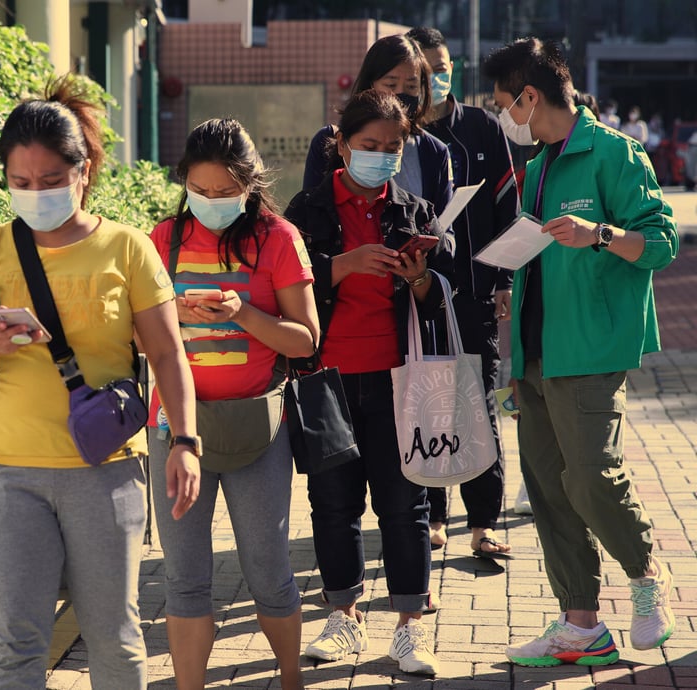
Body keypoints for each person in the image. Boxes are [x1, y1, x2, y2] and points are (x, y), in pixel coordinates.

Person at [0, 75, 201, 690]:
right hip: (3, 473)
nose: (35, 194)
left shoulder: (126, 248)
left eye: (50, 181)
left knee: (115, 640)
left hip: (107, 472)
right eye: (20, 183)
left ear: (85, 170)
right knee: (14, 651)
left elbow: (170, 354)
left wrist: (185, 441)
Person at [483, 37, 677, 667]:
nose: (501, 116)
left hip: (590, 346)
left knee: (592, 473)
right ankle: (581, 624)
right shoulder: (536, 168)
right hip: (534, 350)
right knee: (548, 486)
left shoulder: (614, 154)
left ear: (530, 97)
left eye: (502, 103)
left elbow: (660, 242)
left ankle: (646, 577)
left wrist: (599, 234)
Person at [285, 88, 456, 675]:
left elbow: (442, 300)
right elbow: (284, 292)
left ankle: (411, 626)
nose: (379, 155)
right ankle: (344, 616)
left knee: (403, 505)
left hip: (396, 379)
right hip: (324, 381)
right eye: (367, 145)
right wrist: (341, 266)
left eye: (391, 147)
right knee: (332, 505)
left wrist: (419, 280)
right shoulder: (305, 211)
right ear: (340, 144)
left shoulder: (413, 209)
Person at [147, 119, 319, 690]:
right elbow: (135, 335)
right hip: (175, 429)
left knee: (268, 568)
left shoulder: (277, 238)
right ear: (184, 184)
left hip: (257, 427)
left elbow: (305, 339)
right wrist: (176, 315)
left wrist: (241, 313)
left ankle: (289, 677)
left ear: (249, 184)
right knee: (185, 578)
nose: (212, 203)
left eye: (225, 193)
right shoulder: (161, 239)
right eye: (201, 191)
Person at [406, 26, 521, 558]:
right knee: (425, 404)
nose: (438, 74)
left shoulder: (480, 127)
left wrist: (503, 280)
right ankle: (430, 514)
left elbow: (505, 208)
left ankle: (483, 523)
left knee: (480, 405)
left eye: (444, 63)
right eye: (426, 67)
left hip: (474, 296)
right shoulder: (399, 137)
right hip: (419, 296)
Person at [302, 34, 454, 220]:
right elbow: (308, 220)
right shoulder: (329, 140)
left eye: (411, 87)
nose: (400, 95)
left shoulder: (434, 152)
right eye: (390, 84)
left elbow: (445, 229)